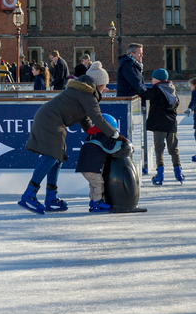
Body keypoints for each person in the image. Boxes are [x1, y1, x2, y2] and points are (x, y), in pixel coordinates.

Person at [19, 61, 125, 214]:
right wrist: (115, 135)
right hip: (51, 121)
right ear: (99, 84)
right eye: (105, 85)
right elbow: (98, 118)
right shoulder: (87, 94)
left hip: (51, 119)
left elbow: (85, 118)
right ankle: (29, 194)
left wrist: (92, 133)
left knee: (57, 158)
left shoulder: (83, 91)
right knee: (51, 158)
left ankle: (51, 198)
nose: (106, 88)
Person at [75, 114, 125, 212]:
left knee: (93, 184)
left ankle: (93, 202)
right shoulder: (102, 137)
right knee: (98, 183)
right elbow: (111, 149)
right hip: (92, 167)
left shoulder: (93, 135)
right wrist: (120, 141)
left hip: (84, 167)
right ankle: (97, 202)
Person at [147, 69, 182, 185]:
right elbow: (177, 103)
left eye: (153, 78)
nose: (151, 80)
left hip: (159, 125)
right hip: (171, 124)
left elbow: (145, 95)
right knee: (173, 149)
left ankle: (160, 174)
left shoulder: (157, 90)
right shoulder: (172, 89)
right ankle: (178, 172)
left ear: (158, 79)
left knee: (159, 149)